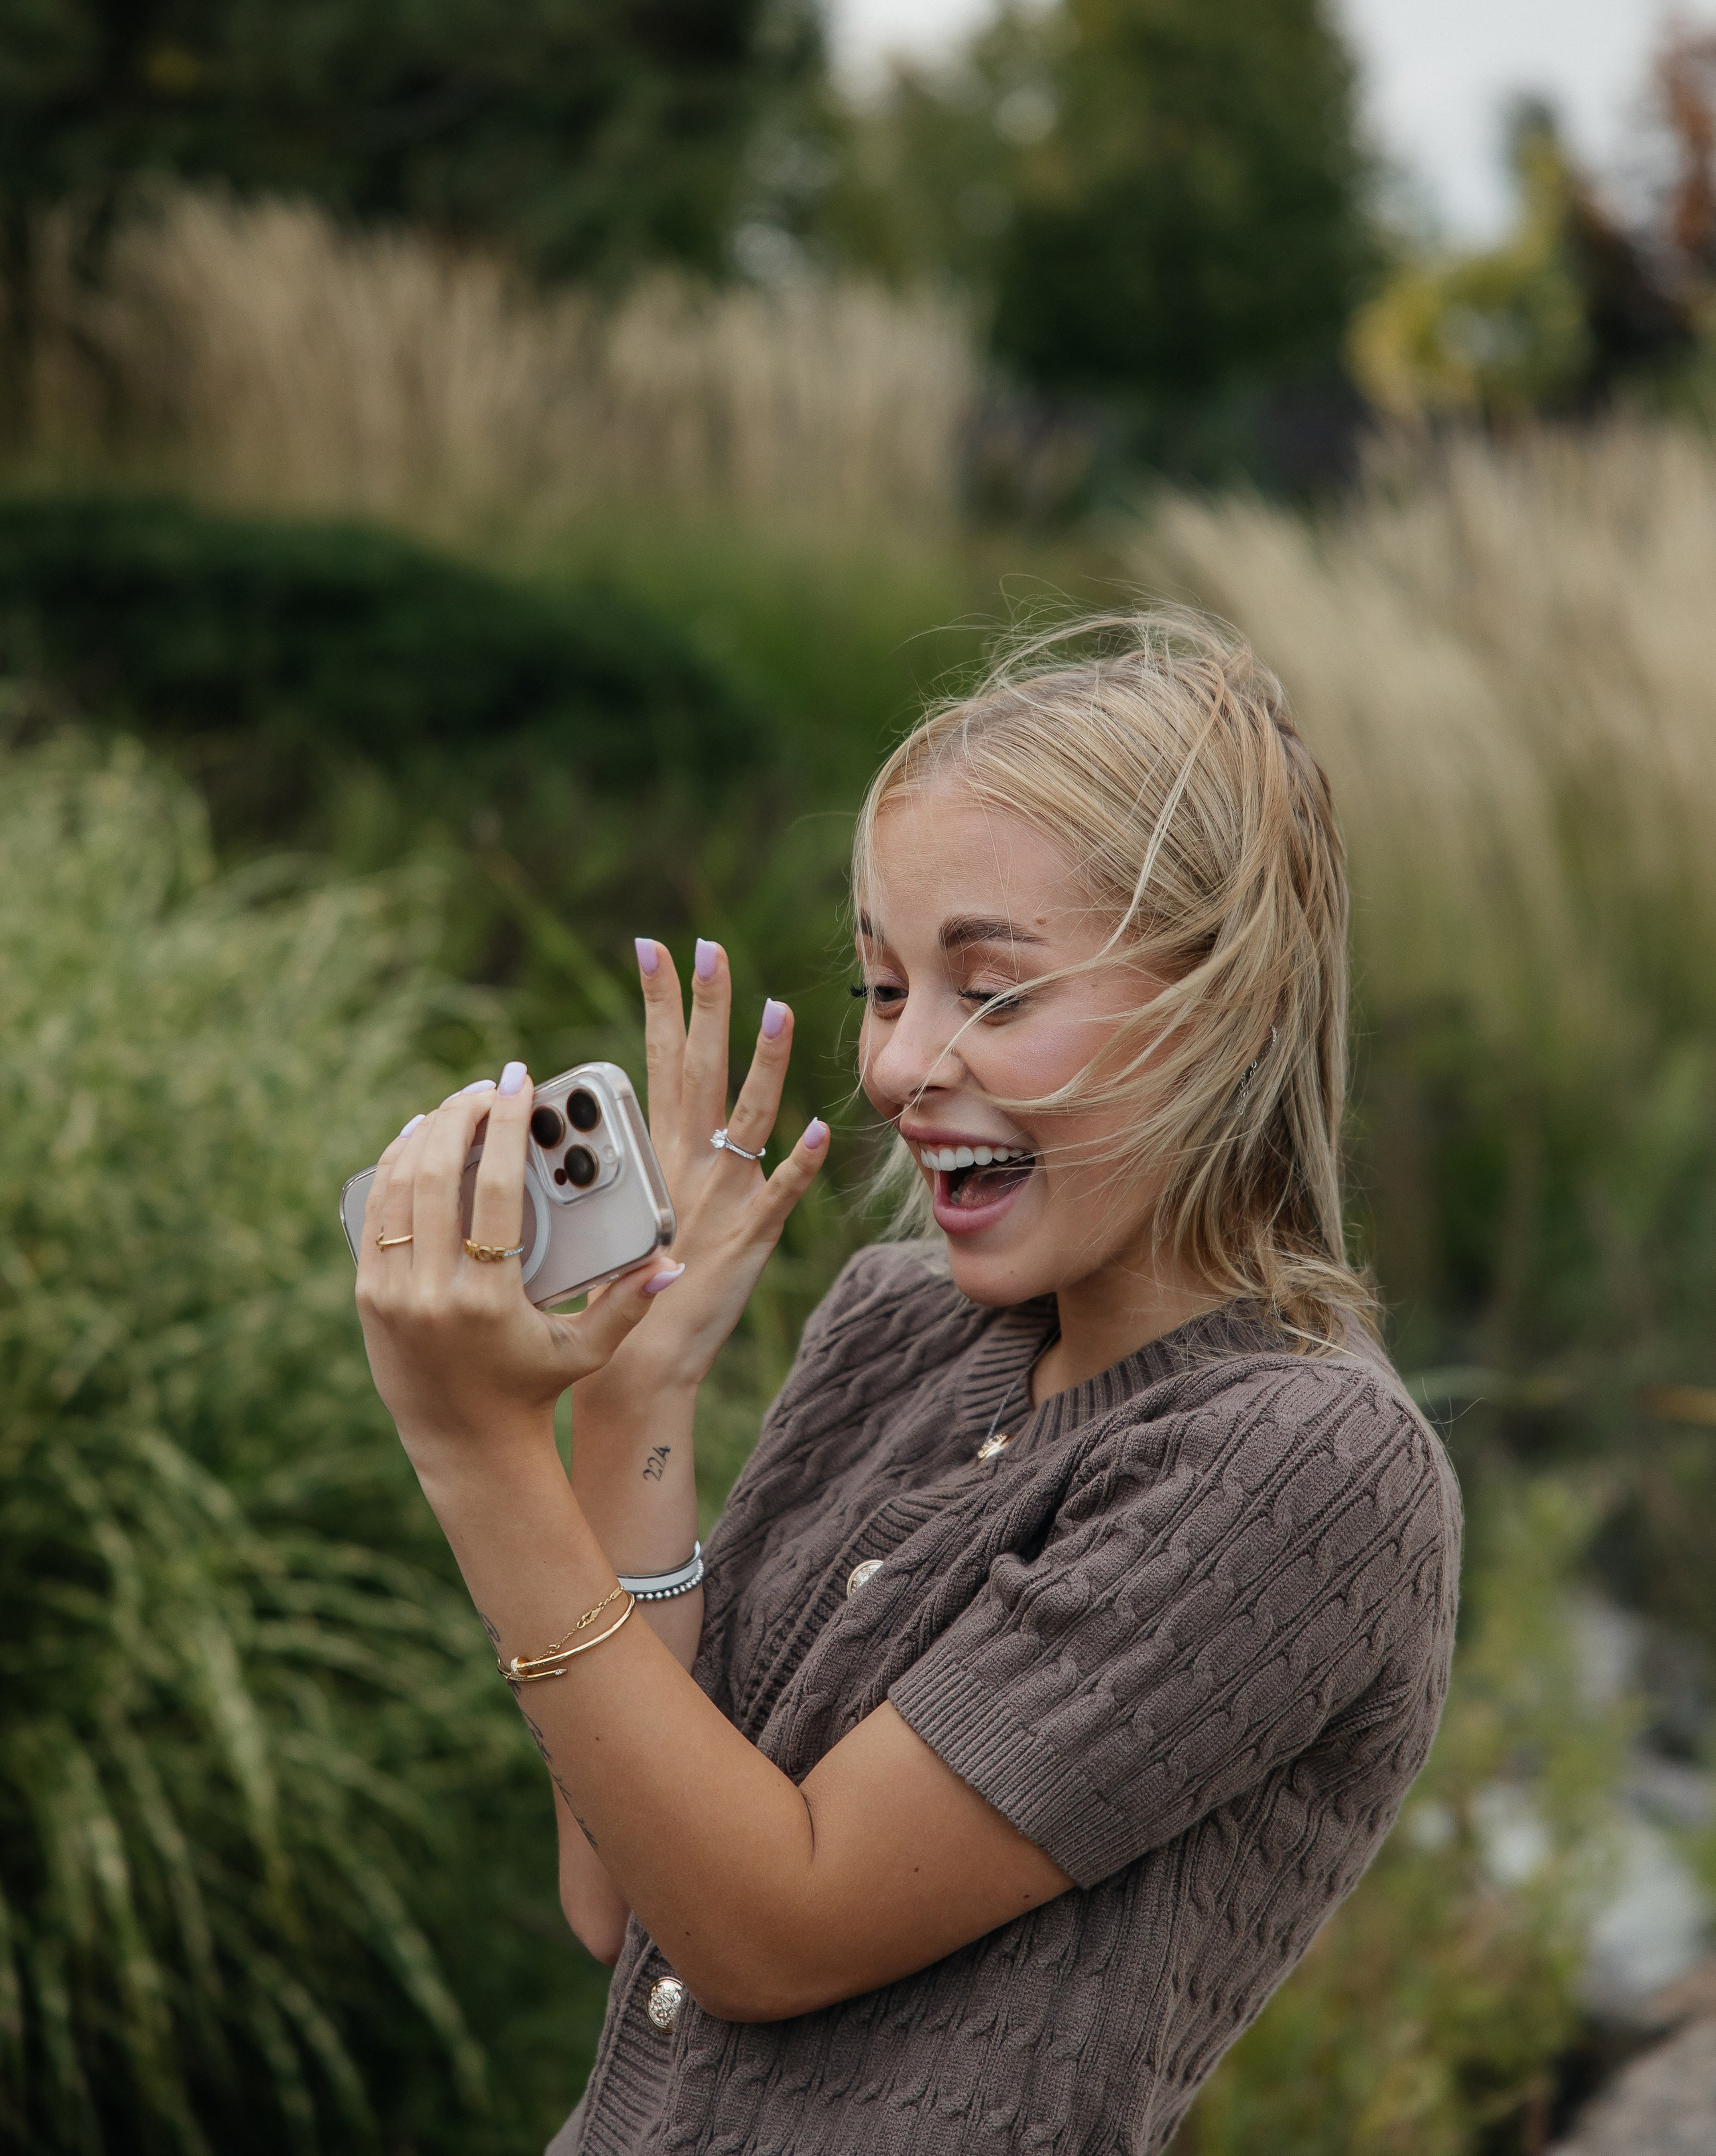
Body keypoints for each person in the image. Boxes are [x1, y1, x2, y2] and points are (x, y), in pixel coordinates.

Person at [354, 611, 1461, 2156]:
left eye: (990, 994)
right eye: (884, 989)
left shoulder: (1304, 1465)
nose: (894, 1068)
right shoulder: (896, 1326)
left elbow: (766, 1928)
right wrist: (632, 1397)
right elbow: (622, 1893)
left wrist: (478, 1454)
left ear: (1227, 1007)